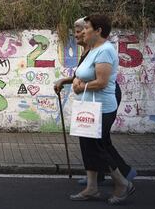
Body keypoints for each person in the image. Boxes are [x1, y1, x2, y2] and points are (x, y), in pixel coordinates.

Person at [54, 18, 137, 186]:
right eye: (77, 31)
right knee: (97, 141)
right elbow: (83, 74)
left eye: (82, 30)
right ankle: (101, 178)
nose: (78, 34)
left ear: (94, 31)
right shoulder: (89, 50)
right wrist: (66, 81)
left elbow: (99, 81)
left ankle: (121, 178)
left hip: (100, 99)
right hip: (91, 98)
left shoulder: (98, 49)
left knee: (98, 142)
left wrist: (80, 86)